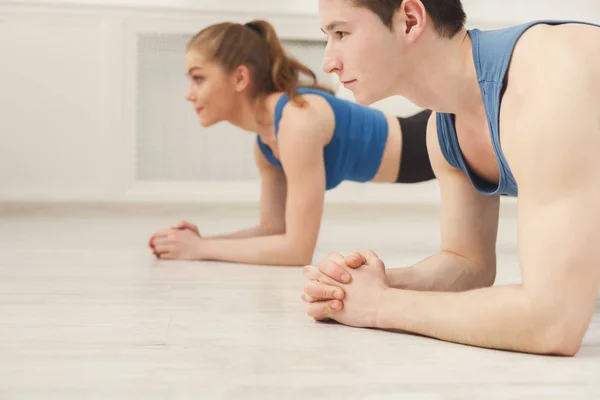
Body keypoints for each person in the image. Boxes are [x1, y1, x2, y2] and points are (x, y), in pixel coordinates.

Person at [302, 0, 600, 356]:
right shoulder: (443, 133)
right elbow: (467, 263)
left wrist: (381, 305)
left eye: (341, 33)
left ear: (410, 20)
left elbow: (552, 324)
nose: (328, 62)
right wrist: (354, 286)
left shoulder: (549, 75)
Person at [148, 19, 435, 266]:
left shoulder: (297, 121)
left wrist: (201, 250)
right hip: (420, 158)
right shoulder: (265, 145)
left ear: (239, 78)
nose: (189, 93)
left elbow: (297, 250)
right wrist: (200, 242)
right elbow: (274, 229)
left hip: (434, 137)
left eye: (198, 78)